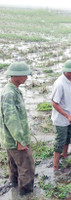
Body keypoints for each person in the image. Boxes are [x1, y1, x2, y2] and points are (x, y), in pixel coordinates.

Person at [0, 62, 35, 195]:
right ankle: (25, 193)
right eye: (24, 75)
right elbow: (11, 119)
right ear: (15, 76)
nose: (27, 77)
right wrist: (20, 140)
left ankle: (14, 186)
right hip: (15, 139)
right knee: (27, 167)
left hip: (10, 138)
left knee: (14, 165)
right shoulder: (10, 94)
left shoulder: (12, 90)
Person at [51, 60, 71, 171]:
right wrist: (67, 116)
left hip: (70, 116)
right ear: (68, 71)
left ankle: (64, 156)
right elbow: (55, 103)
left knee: (68, 138)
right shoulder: (59, 83)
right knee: (60, 140)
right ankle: (55, 165)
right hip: (61, 118)